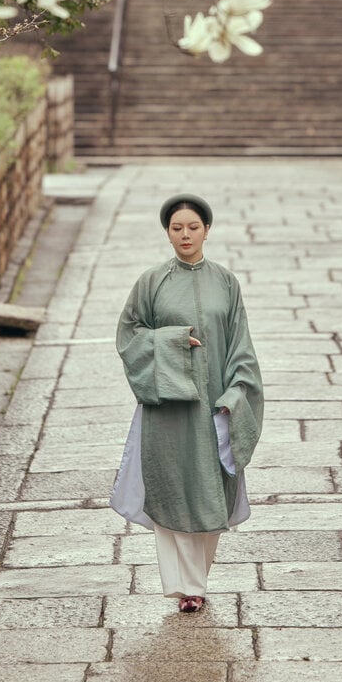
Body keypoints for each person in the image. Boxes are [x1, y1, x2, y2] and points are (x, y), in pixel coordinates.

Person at [110, 193, 263, 613]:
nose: (185, 235)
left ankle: (198, 578)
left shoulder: (226, 282)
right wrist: (172, 342)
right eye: (177, 228)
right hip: (167, 409)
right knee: (172, 489)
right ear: (167, 233)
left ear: (207, 231)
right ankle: (186, 587)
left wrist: (236, 394)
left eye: (193, 227)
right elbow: (128, 336)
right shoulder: (150, 282)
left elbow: (241, 346)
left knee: (210, 492)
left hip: (215, 404)